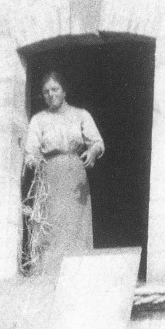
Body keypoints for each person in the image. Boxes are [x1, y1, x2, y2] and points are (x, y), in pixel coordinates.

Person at [23, 71, 104, 275]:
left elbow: (97, 142)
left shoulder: (81, 115)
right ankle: (47, 274)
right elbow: (30, 151)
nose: (51, 94)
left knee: (76, 226)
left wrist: (93, 152)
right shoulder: (39, 120)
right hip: (50, 176)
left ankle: (77, 274)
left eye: (55, 89)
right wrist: (33, 160)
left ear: (64, 91)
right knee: (51, 227)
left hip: (75, 176)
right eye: (46, 92)